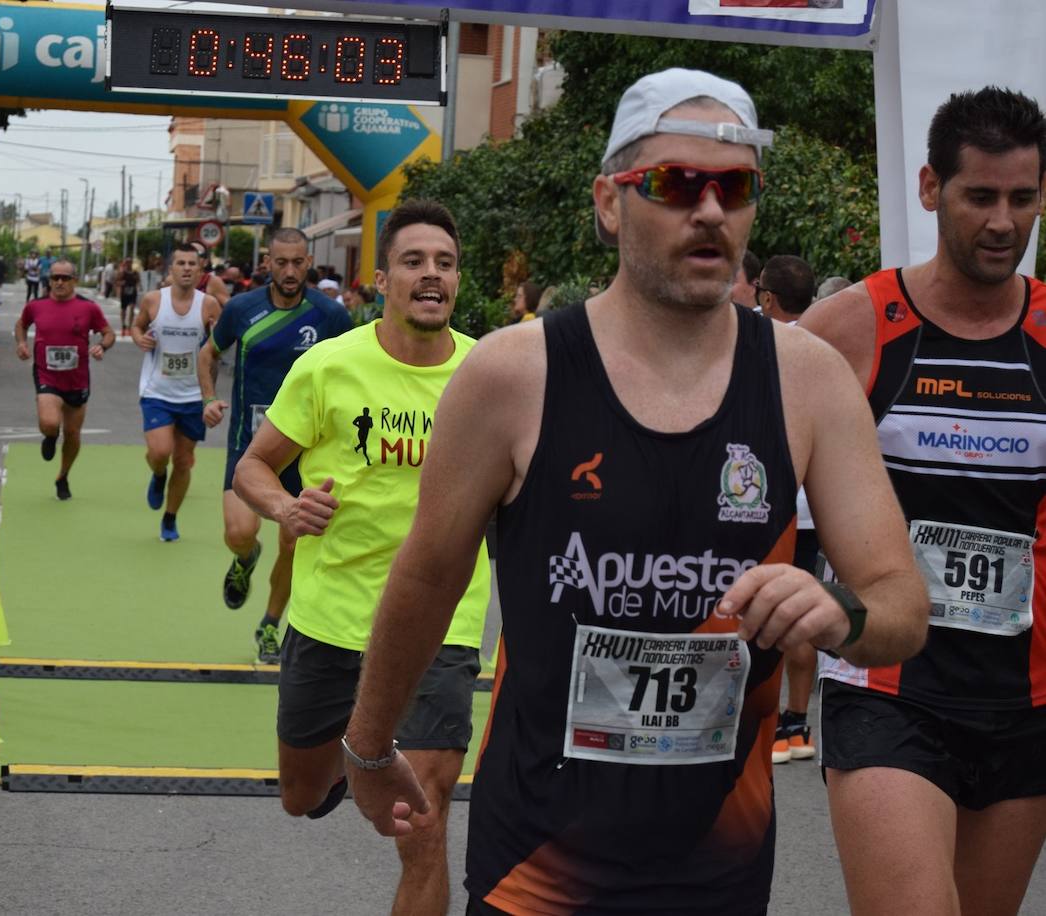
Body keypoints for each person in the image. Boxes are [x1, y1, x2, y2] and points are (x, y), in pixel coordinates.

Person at [342, 69, 930, 915]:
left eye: (734, 187)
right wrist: (367, 750)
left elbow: (901, 607)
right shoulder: (514, 374)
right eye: (674, 183)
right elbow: (429, 576)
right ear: (610, 202)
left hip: (719, 870)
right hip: (535, 870)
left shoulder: (807, 381)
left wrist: (840, 614)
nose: (709, 210)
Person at [801, 86, 1046, 916]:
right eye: (981, 196)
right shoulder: (854, 327)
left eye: (1023, 198)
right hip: (887, 689)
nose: (1004, 222)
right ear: (931, 188)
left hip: (1026, 700)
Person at [233, 199, 491, 915]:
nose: (431, 275)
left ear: (457, 282)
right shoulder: (328, 367)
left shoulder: (489, 376)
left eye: (444, 263)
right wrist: (284, 507)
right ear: (382, 279)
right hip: (333, 617)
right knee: (300, 795)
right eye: (413, 262)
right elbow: (253, 468)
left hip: (444, 624)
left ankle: (382, 763)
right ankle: (352, 762)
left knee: (426, 815)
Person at [198, 228, 351, 663]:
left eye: (297, 262)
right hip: (251, 446)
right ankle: (246, 559)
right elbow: (208, 355)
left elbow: (354, 372)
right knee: (239, 532)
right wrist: (209, 398)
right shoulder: (242, 310)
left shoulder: (331, 317)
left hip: (306, 454)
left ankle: (270, 623)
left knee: (293, 545)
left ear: (308, 263)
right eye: (280, 263)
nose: (289, 271)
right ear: (267, 263)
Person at [751, 254, 822, 763]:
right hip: (814, 510)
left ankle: (765, 723)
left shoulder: (749, 339)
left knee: (760, 615)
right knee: (803, 615)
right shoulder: (825, 346)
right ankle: (797, 726)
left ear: (768, 297)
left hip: (761, 506)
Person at [132, 243, 221, 540]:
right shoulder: (154, 300)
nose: (186, 268)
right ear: (170, 269)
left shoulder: (208, 304)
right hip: (157, 390)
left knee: (183, 461)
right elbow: (137, 326)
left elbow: (217, 350)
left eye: (191, 264)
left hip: (192, 396)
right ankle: (158, 475)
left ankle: (170, 519)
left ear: (200, 270)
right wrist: (140, 339)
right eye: (180, 263)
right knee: (160, 452)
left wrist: (210, 394)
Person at [16, 259, 114, 500]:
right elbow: (22, 324)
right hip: (46, 373)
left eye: (64, 278)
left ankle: (63, 475)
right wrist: (21, 342)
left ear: (74, 281)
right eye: (54, 278)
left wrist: (102, 346)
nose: (59, 282)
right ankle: (50, 436)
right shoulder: (36, 305)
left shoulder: (88, 308)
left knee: (72, 433)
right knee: (50, 422)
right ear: (49, 280)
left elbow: (108, 332)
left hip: (77, 378)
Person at [118, 257, 140, 335]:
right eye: (127, 262)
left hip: (132, 293)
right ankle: (123, 325)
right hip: (124, 293)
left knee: (132, 308)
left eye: (130, 262)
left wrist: (138, 286)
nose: (128, 263)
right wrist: (121, 283)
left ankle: (130, 327)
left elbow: (138, 281)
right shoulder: (122, 272)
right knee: (123, 310)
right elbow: (117, 281)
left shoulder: (135, 272)